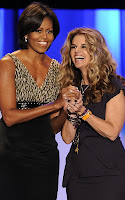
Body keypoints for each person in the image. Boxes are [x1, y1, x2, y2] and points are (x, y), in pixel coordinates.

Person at [0, 2, 80, 200]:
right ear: (26, 33)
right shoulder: (8, 64)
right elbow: (9, 117)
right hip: (10, 153)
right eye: (38, 30)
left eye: (50, 31)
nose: (45, 37)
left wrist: (64, 109)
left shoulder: (57, 69)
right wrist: (53, 105)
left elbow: (52, 127)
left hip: (45, 156)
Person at [59, 27, 125, 200]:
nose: (77, 51)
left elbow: (112, 132)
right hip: (77, 175)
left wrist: (84, 112)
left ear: (96, 52)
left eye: (84, 47)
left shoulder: (112, 86)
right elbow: (66, 138)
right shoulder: (72, 87)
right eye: (73, 47)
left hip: (107, 174)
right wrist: (73, 114)